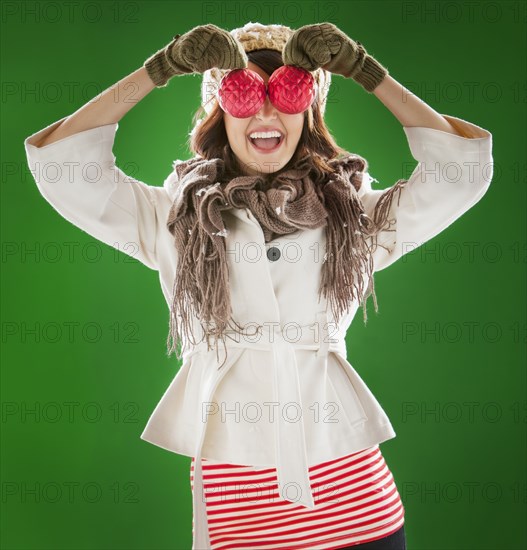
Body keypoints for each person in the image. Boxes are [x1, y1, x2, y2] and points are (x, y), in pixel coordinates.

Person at [24, 21, 493, 550]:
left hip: (357, 509)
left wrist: (367, 72)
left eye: (287, 94)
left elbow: (461, 173)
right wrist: (158, 71)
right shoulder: (171, 218)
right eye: (244, 94)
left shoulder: (353, 216)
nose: (266, 113)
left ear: (309, 112)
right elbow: (62, 167)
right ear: (219, 114)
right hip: (240, 515)